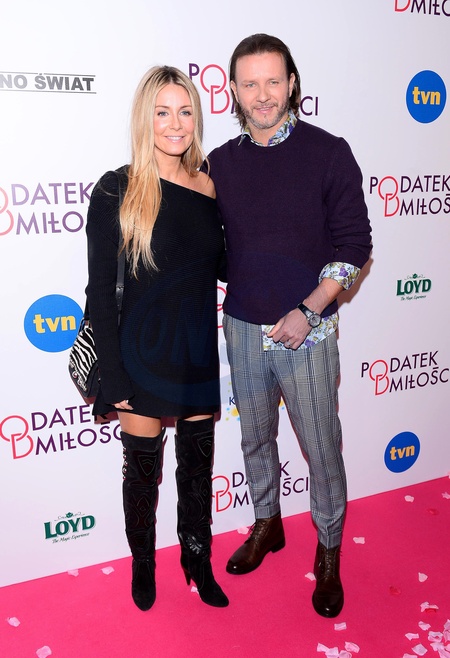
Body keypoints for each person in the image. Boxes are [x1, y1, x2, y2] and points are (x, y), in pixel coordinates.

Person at [206, 34, 372, 618]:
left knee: (321, 447)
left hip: (310, 330)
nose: (263, 95)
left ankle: (328, 551)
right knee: (254, 438)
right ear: (233, 90)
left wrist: (310, 308)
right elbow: (211, 247)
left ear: (292, 82)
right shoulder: (219, 163)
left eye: (273, 81)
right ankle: (267, 523)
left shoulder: (329, 152)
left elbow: (356, 246)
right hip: (242, 328)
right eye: (250, 83)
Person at [85, 66, 228, 611]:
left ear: (197, 118)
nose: (175, 123)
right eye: (162, 112)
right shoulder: (116, 188)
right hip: (139, 358)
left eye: (185, 111)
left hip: (196, 351)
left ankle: (197, 557)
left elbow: (221, 266)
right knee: (143, 476)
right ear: (145, 119)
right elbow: (101, 291)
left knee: (197, 470)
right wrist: (115, 376)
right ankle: (143, 564)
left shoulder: (208, 186)